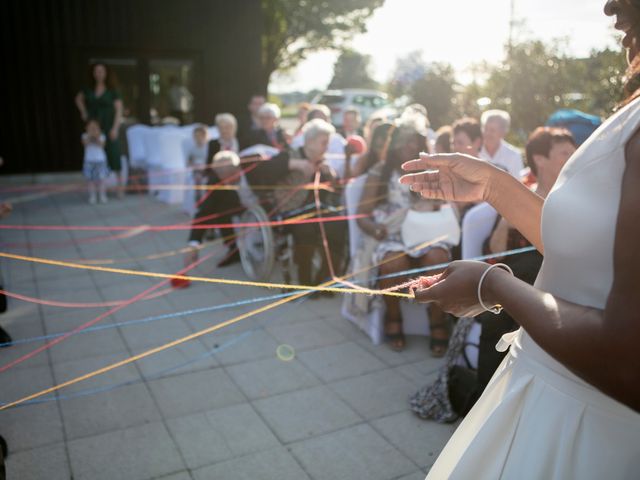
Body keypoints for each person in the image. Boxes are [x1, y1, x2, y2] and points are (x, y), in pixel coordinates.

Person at [399, 2, 640, 476]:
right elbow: (586, 258)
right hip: (550, 392)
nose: (610, 6)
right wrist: (494, 186)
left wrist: (493, 286)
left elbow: (630, 361)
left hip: (584, 424)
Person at [410, 127, 577, 422]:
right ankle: (487, 403)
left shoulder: (577, 198)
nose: (574, 155)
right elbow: (496, 252)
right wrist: (506, 223)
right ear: (539, 158)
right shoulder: (521, 195)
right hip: (513, 297)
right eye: (565, 151)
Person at [356, 120, 452, 354]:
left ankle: (436, 317)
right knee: (394, 261)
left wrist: (433, 206)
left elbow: (444, 206)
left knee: (437, 257)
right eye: (405, 140)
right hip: (392, 232)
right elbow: (362, 215)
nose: (410, 145)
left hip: (424, 230)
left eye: (415, 141)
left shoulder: (429, 172)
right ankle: (393, 314)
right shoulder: (381, 170)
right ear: (395, 144)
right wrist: (374, 229)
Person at [181, 145, 315, 272]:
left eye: (231, 176)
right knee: (222, 213)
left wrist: (297, 163)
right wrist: (194, 244)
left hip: (268, 204)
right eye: (224, 178)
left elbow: (278, 161)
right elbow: (204, 210)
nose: (228, 181)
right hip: (239, 208)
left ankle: (281, 245)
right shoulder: (215, 181)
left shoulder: (254, 166)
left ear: (237, 168)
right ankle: (235, 251)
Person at [287, 119, 346, 288]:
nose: (327, 147)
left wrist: (332, 176)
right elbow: (268, 169)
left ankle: (324, 279)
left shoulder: (323, 162)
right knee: (305, 230)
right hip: (294, 210)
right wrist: (296, 166)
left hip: (319, 210)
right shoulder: (291, 155)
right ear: (310, 141)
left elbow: (335, 191)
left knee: (339, 225)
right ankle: (305, 280)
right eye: (324, 143)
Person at [75, 63, 124, 198]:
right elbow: (78, 99)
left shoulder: (112, 90)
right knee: (95, 153)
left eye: (101, 71)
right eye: (96, 71)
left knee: (114, 154)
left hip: (109, 125)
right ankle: (97, 189)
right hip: (94, 126)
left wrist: (115, 128)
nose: (99, 74)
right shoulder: (88, 89)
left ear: (106, 73)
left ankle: (120, 188)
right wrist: (83, 112)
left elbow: (119, 110)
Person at [479, 109, 524, 178]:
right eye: (485, 128)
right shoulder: (473, 151)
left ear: (503, 132)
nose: (487, 133)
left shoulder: (514, 155)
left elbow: (517, 185)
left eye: (492, 130)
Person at [81, 119, 110, 204]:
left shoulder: (102, 136)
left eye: (95, 127)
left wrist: (96, 136)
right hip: (89, 161)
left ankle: (102, 195)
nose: (93, 129)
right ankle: (92, 196)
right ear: (86, 128)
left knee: (102, 179)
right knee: (90, 180)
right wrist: (90, 135)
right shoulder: (84, 136)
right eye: (91, 127)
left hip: (100, 160)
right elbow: (85, 144)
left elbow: (102, 145)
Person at [187, 125, 209, 202]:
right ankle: (198, 198)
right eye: (196, 136)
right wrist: (194, 166)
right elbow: (189, 161)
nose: (198, 138)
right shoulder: (193, 148)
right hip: (196, 170)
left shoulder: (208, 147)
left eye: (200, 136)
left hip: (206, 168)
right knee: (198, 178)